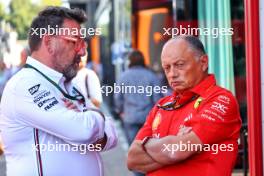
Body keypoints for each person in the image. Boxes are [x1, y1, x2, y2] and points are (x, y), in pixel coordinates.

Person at [0, 6, 117, 176]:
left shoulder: (66, 83)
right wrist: (95, 117)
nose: (83, 51)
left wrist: (88, 125)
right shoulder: (25, 84)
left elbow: (111, 136)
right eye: (75, 42)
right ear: (49, 42)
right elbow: (83, 131)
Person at [127, 35, 241, 176]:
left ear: (204, 62)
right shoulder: (162, 105)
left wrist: (148, 145)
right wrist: (175, 149)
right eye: (167, 68)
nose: (172, 74)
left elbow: (178, 150)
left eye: (179, 65)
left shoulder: (221, 99)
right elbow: (132, 160)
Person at [72, 41, 102, 108]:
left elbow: (97, 101)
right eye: (79, 55)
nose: (82, 58)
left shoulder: (90, 75)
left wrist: (79, 103)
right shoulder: (67, 75)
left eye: (84, 55)